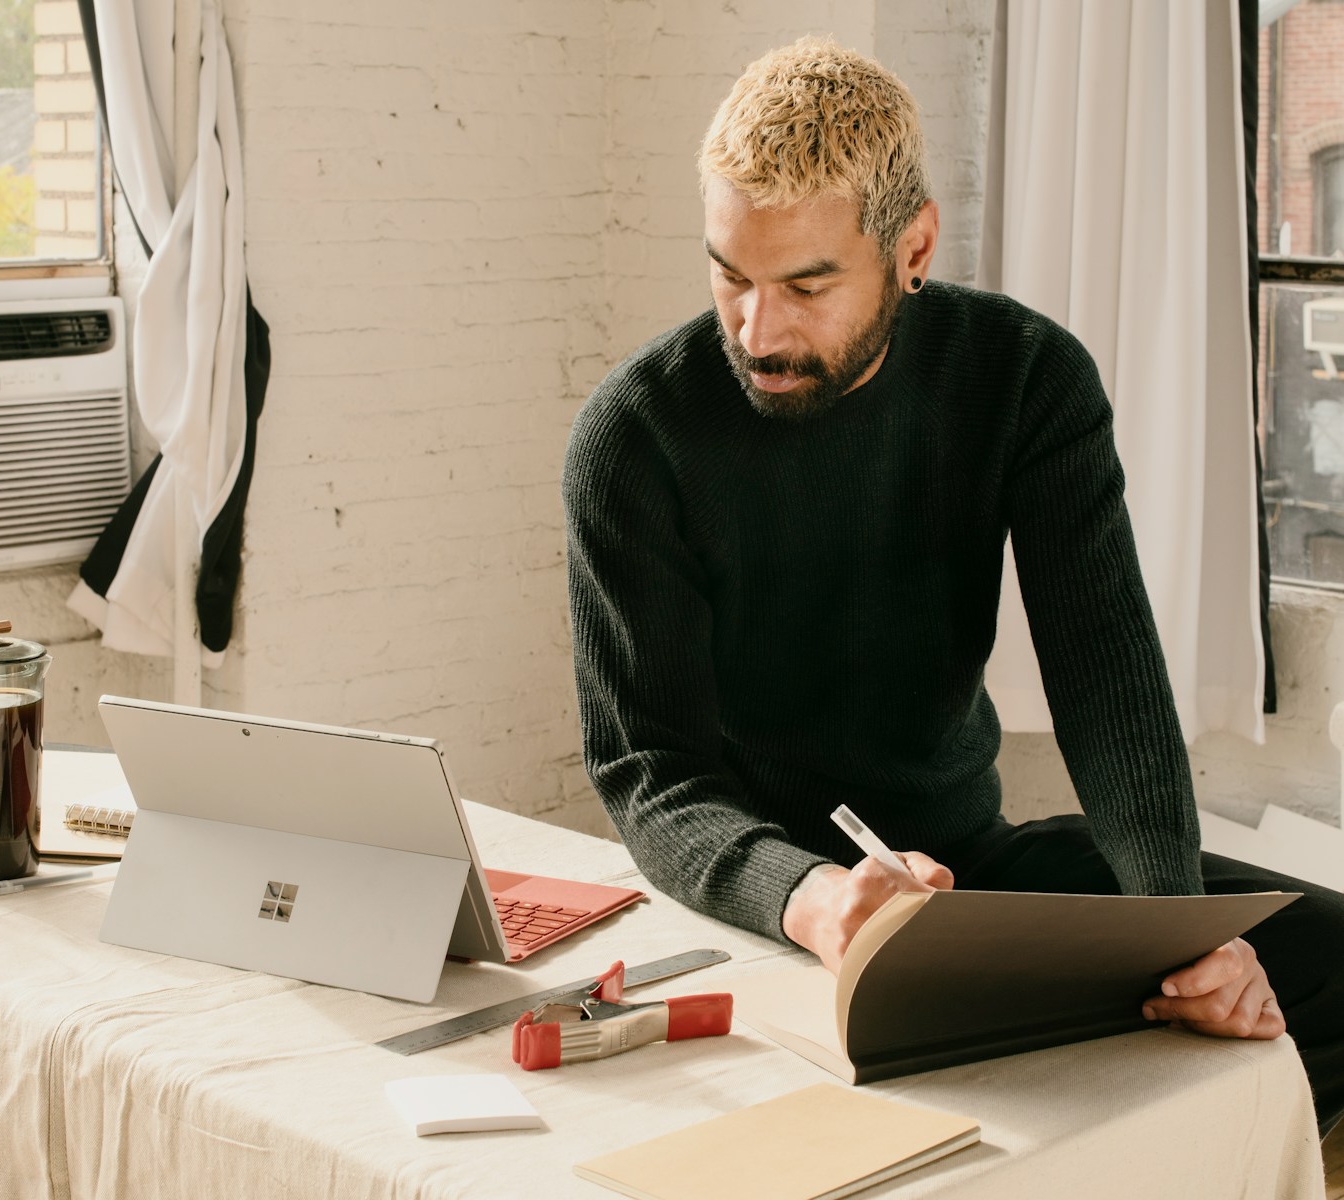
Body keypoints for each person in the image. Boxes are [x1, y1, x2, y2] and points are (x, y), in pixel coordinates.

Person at [561, 36, 1343, 1134]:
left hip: (970, 876)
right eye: (730, 275)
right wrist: (818, 900)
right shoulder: (635, 438)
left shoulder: (1024, 376)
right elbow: (651, 775)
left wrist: (1183, 935)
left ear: (913, 244)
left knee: (1313, 960)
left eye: (806, 284)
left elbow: (1107, 677)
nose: (758, 329)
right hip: (756, 896)